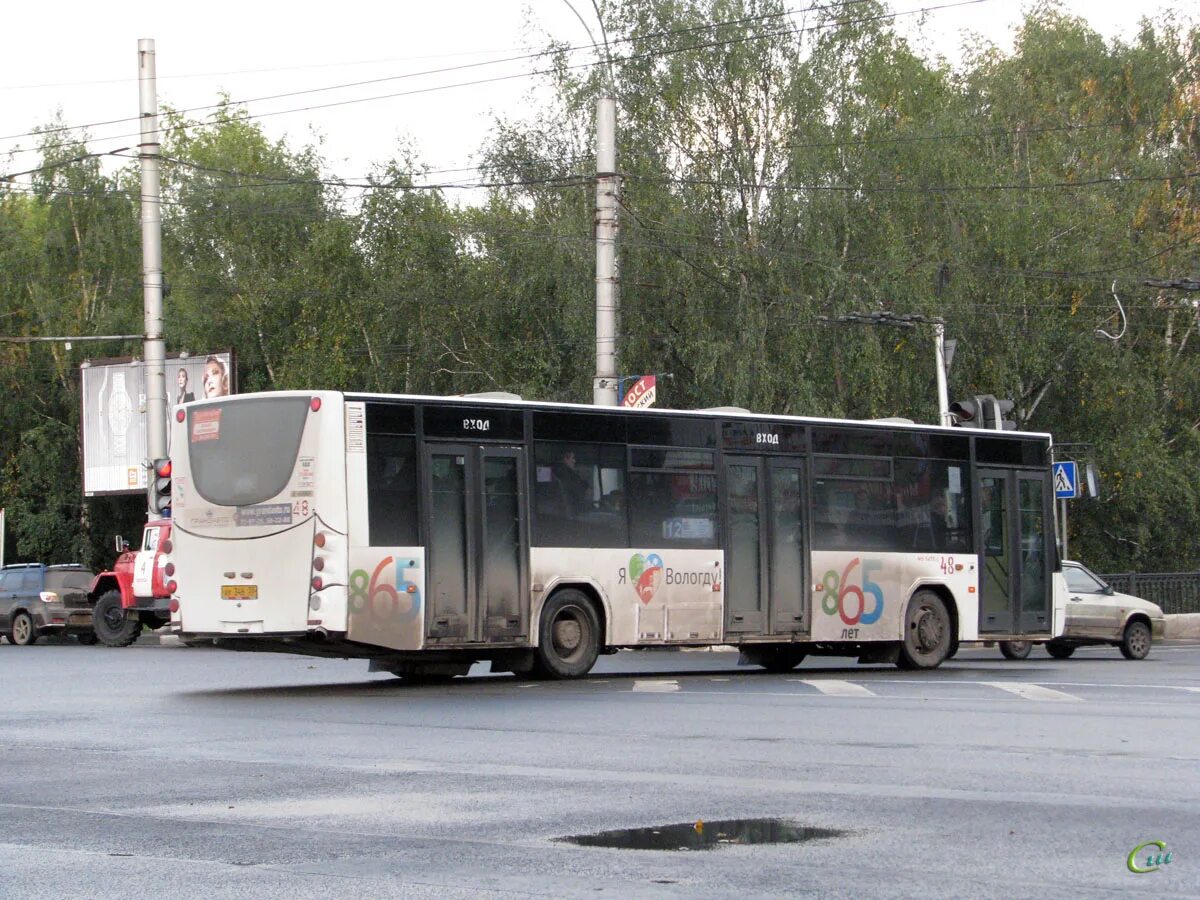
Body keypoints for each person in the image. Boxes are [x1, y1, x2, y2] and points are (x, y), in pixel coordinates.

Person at [552, 449, 590, 516]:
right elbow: (578, 492)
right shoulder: (568, 476)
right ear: (565, 459)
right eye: (572, 458)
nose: (574, 461)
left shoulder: (561, 474)